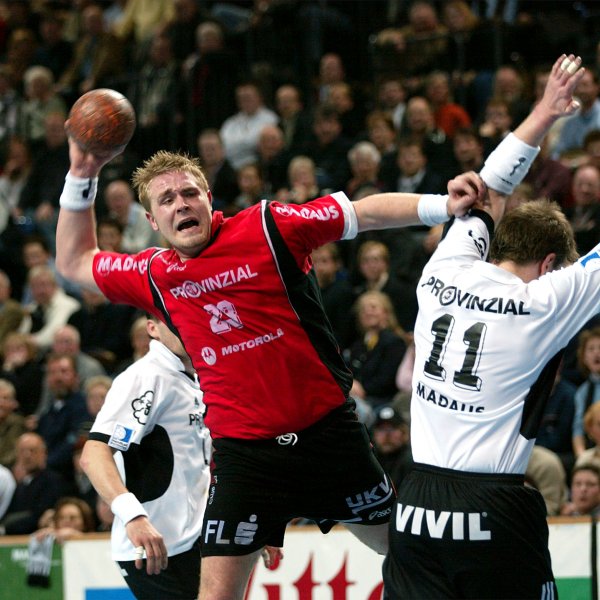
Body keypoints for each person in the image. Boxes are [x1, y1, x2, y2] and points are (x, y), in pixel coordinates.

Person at [55, 71, 482, 598]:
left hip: (330, 439)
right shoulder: (155, 274)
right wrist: (83, 172)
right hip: (246, 459)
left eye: (189, 192)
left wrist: (442, 205)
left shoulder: (266, 226)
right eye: (166, 200)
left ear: (209, 197)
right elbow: (74, 261)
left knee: (412, 557)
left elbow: (361, 212)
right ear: (152, 219)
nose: (180, 203)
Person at [383, 54, 586, 598]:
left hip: (415, 502)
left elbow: (488, 191)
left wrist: (544, 112)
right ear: (549, 264)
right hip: (491, 504)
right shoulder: (544, 300)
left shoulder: (443, 269)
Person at [80, 314, 212, 598]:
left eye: (189, 315)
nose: (185, 325)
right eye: (173, 319)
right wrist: (133, 516)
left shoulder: (199, 377)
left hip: (196, 538)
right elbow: (94, 453)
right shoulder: (144, 377)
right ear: (152, 328)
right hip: (156, 547)